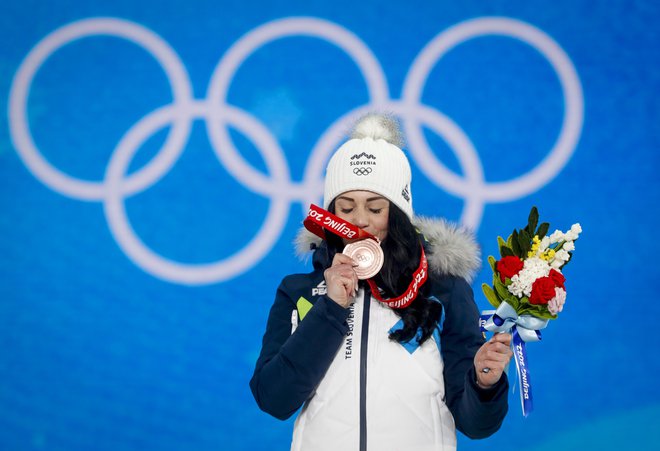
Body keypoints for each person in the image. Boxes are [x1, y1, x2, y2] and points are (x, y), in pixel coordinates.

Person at [250, 113, 513, 451]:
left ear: (399, 215)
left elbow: (475, 426)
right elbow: (274, 400)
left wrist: (484, 384)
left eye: (376, 209)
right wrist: (330, 308)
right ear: (330, 215)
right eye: (346, 208)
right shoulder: (299, 290)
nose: (361, 220)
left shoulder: (443, 290)